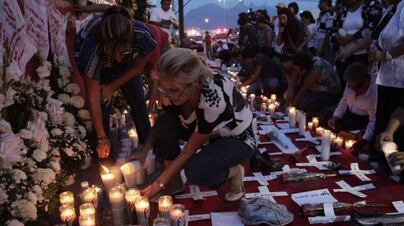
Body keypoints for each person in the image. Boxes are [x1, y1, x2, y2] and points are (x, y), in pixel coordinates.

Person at [129, 48, 256, 201]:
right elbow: (162, 122)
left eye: (173, 90)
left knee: (196, 171)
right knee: (165, 124)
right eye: (163, 88)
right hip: (205, 130)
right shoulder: (172, 91)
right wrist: (145, 149)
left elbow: (188, 152)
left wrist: (159, 183)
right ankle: (174, 182)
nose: (166, 95)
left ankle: (234, 172)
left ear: (195, 82)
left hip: (237, 137)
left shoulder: (212, 100)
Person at [75, 6, 157, 158]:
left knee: (138, 100)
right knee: (102, 103)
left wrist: (112, 86)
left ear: (130, 42)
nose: (118, 59)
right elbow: (93, 98)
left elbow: (138, 67)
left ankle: (148, 148)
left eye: (123, 53)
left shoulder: (142, 37)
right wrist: (102, 138)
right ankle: (105, 153)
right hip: (100, 65)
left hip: (130, 66)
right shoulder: (92, 49)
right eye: (114, 54)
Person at [370, 0, 404, 142]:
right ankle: (379, 157)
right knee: (383, 121)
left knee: (399, 127)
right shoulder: (395, 8)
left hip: (403, 76)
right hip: (387, 75)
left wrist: (386, 55)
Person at [332, 0, 383, 90]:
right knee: (344, 85)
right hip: (343, 55)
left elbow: (374, 28)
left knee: (360, 86)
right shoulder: (341, 8)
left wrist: (352, 37)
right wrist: (337, 37)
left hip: (363, 55)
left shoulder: (372, 5)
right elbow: (334, 28)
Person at [328, 63, 377, 152]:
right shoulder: (351, 84)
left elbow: (373, 121)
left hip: (363, 122)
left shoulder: (374, 95)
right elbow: (344, 101)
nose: (354, 92)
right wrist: (335, 116)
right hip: (350, 116)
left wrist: (365, 139)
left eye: (356, 88)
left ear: (366, 81)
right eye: (350, 87)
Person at [283, 52, 341, 117]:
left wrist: (291, 108)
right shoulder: (301, 63)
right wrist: (290, 91)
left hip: (328, 93)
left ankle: (314, 114)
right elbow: (294, 75)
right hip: (314, 89)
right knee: (294, 93)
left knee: (304, 102)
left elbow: (303, 90)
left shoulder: (317, 68)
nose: (298, 72)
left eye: (300, 70)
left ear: (304, 68)